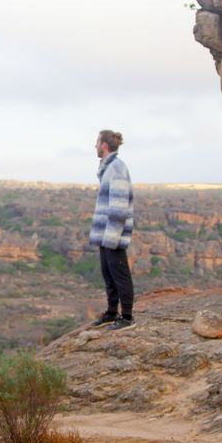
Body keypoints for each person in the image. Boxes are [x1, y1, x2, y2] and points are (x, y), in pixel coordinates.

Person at [88, 130, 136, 331]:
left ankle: (126, 317)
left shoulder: (116, 168)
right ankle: (111, 312)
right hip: (105, 234)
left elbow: (119, 206)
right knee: (108, 275)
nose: (95, 146)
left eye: (97, 142)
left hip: (112, 235)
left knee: (120, 274)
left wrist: (112, 237)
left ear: (104, 145)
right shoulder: (108, 168)